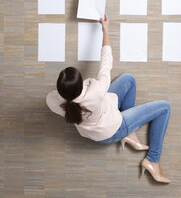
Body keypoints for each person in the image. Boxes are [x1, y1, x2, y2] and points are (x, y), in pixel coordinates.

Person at [46, 14, 172, 184]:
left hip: (99, 119)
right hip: (112, 129)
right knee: (164, 107)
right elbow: (106, 61)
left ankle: (130, 134)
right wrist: (105, 28)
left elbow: (51, 96)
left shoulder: (55, 102)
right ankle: (152, 160)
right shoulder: (96, 91)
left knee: (129, 79)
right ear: (79, 84)